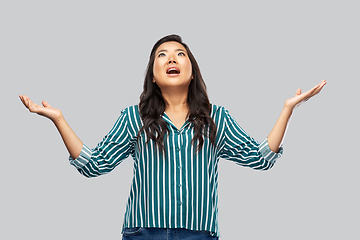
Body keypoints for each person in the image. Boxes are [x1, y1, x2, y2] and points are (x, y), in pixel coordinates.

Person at [19, 34, 326, 240]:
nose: (172, 59)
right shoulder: (134, 117)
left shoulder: (215, 118)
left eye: (180, 54)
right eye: (162, 55)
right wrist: (58, 119)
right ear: (153, 75)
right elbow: (95, 164)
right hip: (143, 232)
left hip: (199, 233)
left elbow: (259, 158)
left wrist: (287, 109)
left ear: (192, 71)